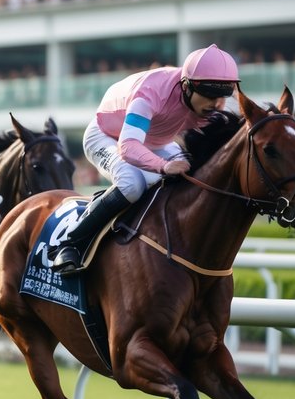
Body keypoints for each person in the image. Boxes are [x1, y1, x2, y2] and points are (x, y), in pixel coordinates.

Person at [50, 44, 241, 274]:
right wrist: (163, 166)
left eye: (223, 95)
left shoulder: (208, 104)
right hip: (108, 136)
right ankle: (70, 244)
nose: (217, 104)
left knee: (192, 176)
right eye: (209, 95)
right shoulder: (152, 93)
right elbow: (128, 146)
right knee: (132, 184)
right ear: (187, 86)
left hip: (155, 141)